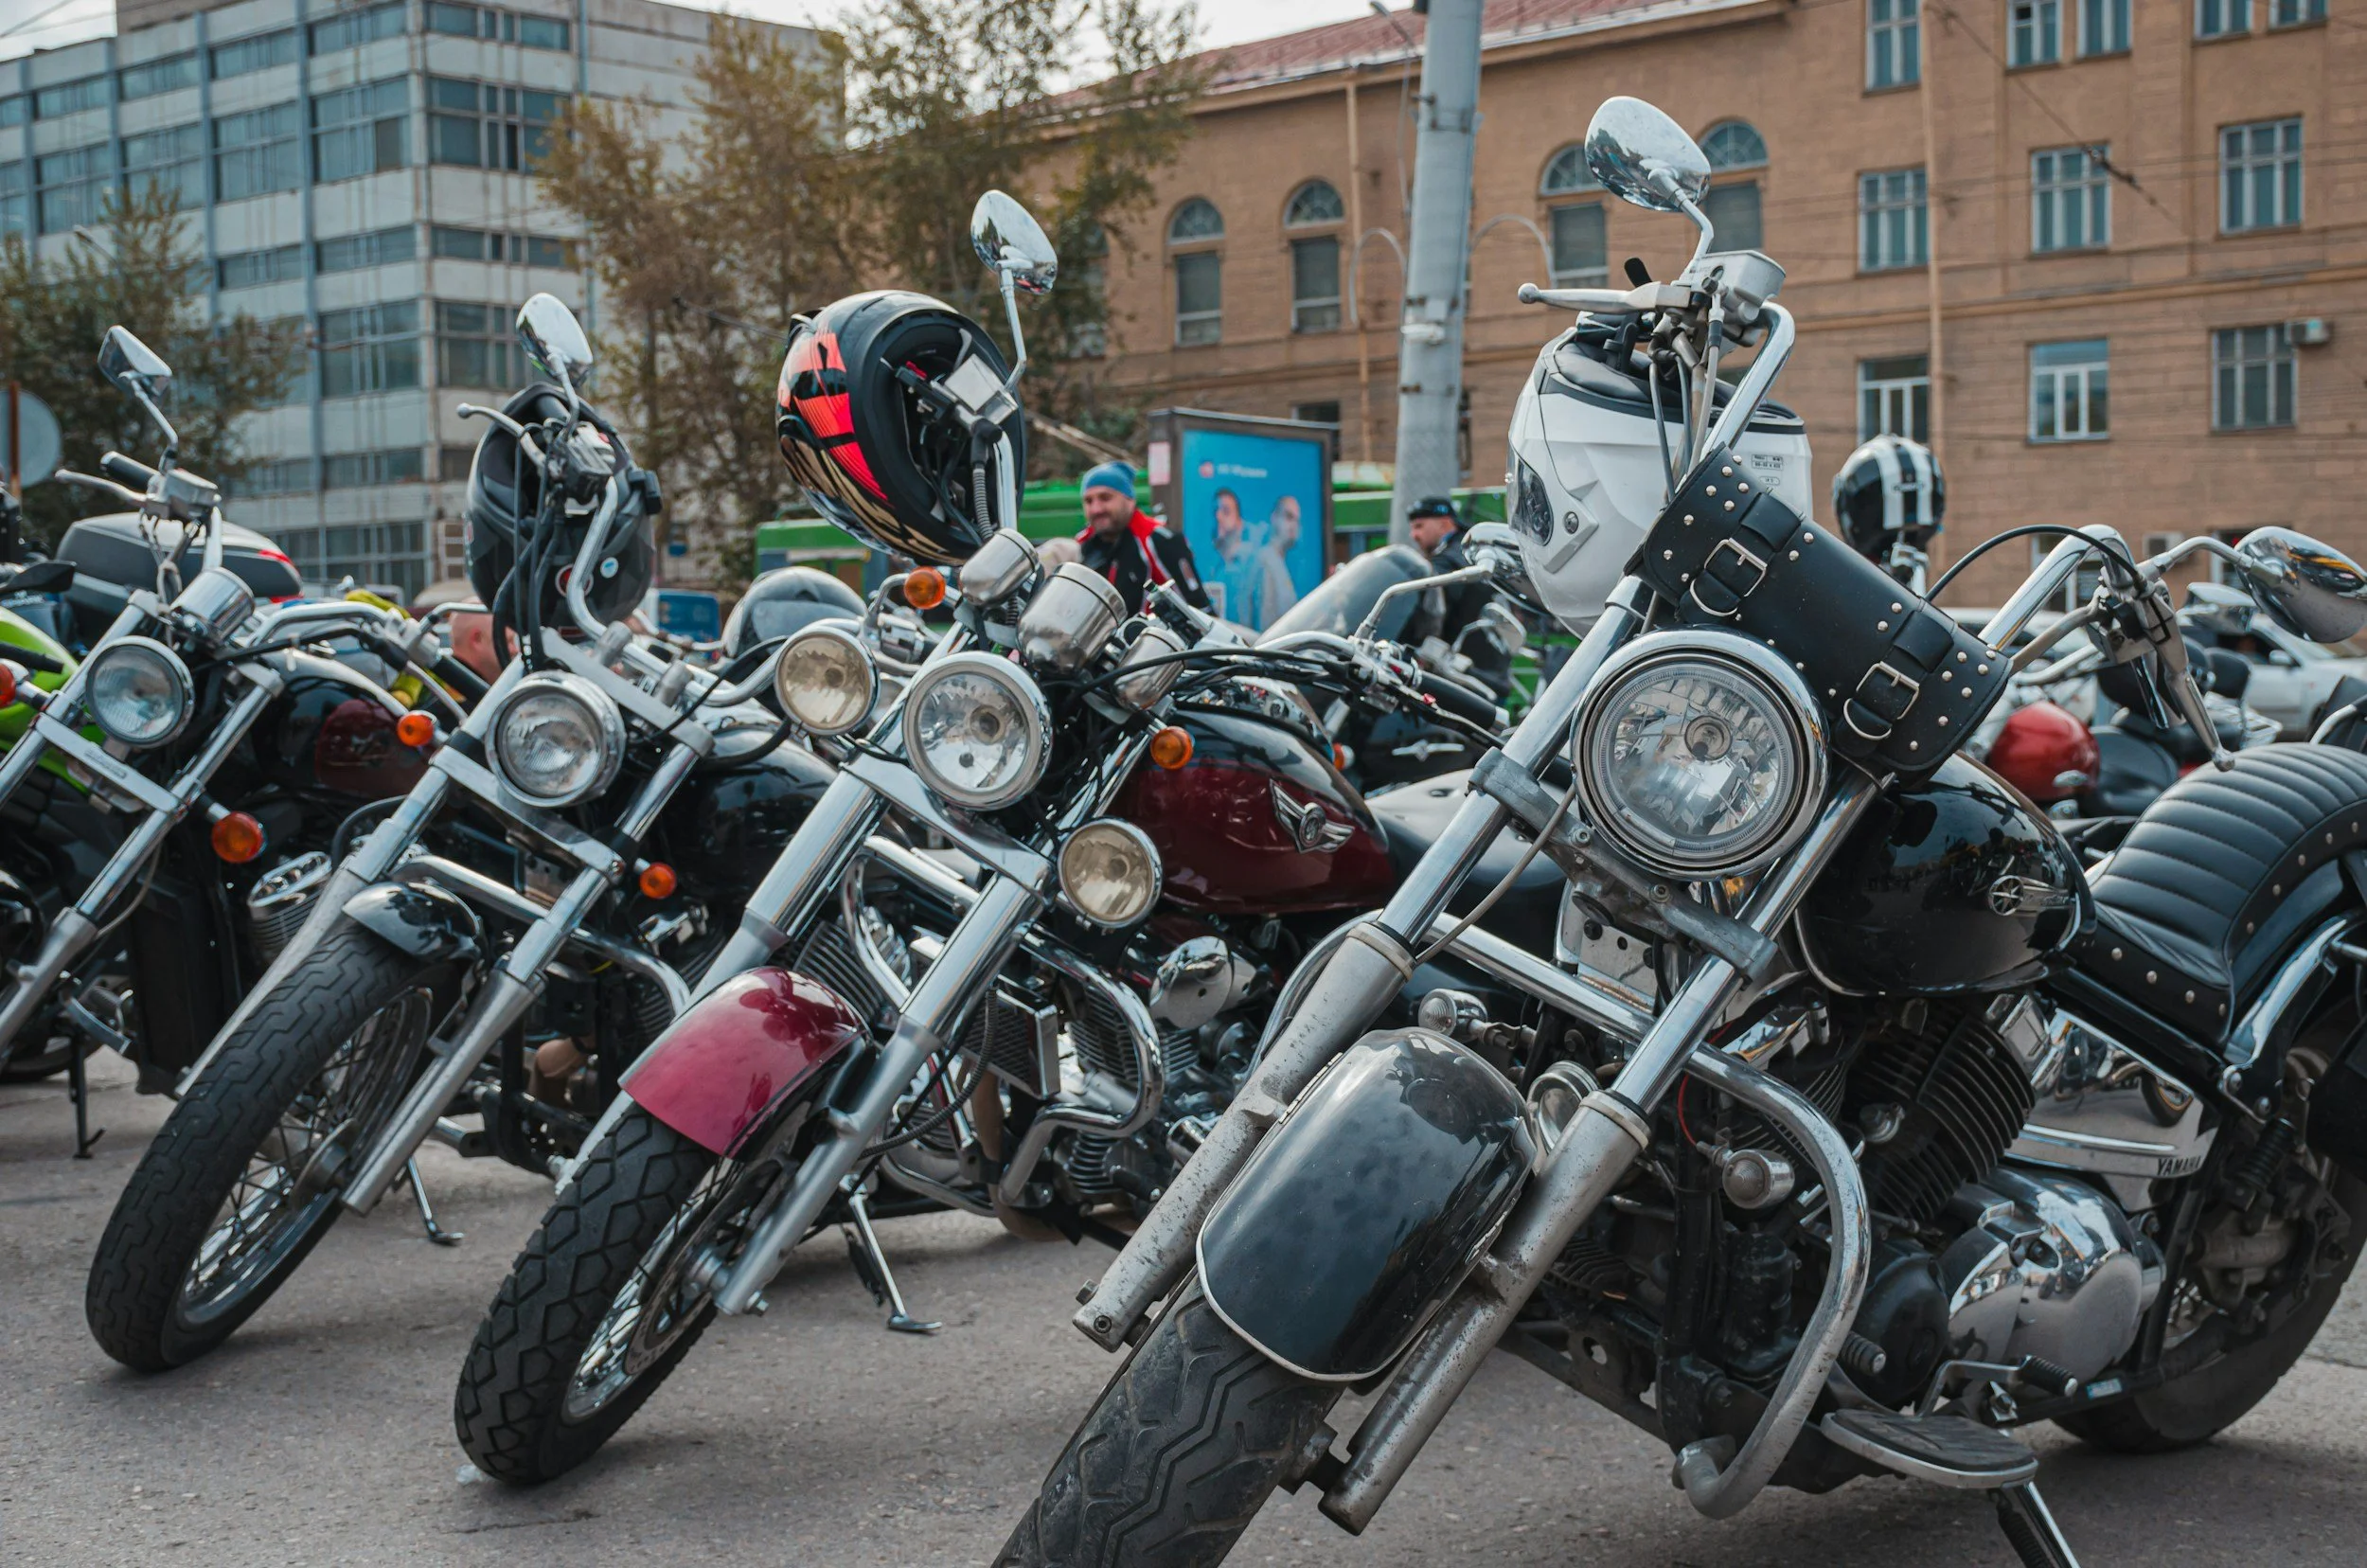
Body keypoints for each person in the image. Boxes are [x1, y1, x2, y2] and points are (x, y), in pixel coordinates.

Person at [1076, 460, 1210, 615]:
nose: (1096, 509)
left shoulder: (1159, 539)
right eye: (1088, 501)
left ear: (1130, 500)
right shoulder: (1083, 543)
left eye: (1105, 498)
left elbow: (1199, 609)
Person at [1207, 486, 1261, 626]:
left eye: (1226, 511)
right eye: (1215, 511)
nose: (1218, 516)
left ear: (1240, 522)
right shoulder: (1216, 567)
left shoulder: (1255, 563)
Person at [1255, 495, 1302, 629]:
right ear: (1274, 518)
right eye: (1288, 517)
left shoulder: (1280, 562)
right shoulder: (1265, 560)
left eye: (1297, 521)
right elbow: (1264, 624)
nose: (1293, 526)